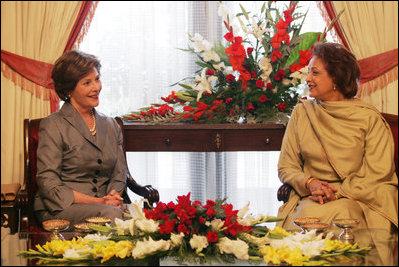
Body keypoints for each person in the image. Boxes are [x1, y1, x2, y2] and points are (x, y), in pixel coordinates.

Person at [276, 43, 398, 240]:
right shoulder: (302, 113)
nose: (307, 79)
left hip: (356, 198)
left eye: (315, 73)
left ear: (336, 78)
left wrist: (338, 193)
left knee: (343, 216)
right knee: (305, 218)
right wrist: (310, 183)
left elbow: (377, 173)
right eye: (308, 72)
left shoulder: (369, 119)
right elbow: (286, 166)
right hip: (310, 196)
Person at [34, 50, 127, 227]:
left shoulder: (111, 125)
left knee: (145, 217)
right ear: (69, 90)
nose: (96, 87)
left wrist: (113, 196)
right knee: (112, 215)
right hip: (61, 208)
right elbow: (48, 182)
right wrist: (101, 203)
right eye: (87, 83)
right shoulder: (53, 125)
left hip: (107, 206)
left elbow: (119, 172)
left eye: (97, 79)